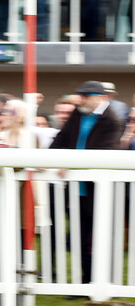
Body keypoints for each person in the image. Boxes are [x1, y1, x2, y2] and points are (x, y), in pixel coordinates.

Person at [50, 81, 122, 286]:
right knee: (79, 239)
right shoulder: (77, 113)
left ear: (101, 97)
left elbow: (107, 152)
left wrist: (70, 164)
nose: (80, 100)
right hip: (75, 189)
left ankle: (99, 282)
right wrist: (47, 160)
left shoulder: (112, 120)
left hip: (98, 190)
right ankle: (85, 282)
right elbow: (61, 139)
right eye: (80, 96)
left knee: (97, 238)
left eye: (85, 96)